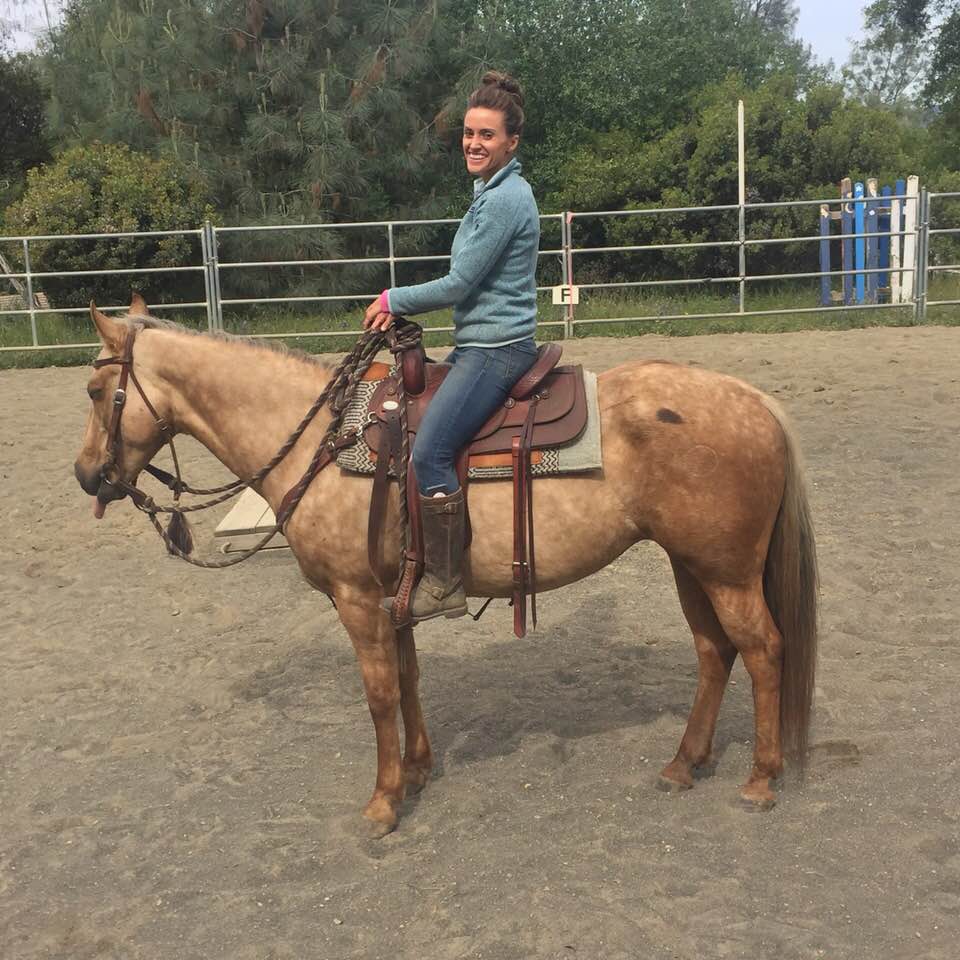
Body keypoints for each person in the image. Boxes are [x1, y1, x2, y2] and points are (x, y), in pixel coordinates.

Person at [363, 70, 541, 623]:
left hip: (497, 350)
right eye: (468, 133)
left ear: (511, 142)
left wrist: (393, 298)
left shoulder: (505, 199)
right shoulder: (490, 192)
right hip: (480, 345)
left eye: (487, 135)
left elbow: (459, 284)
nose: (474, 143)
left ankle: (444, 584)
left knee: (430, 451)